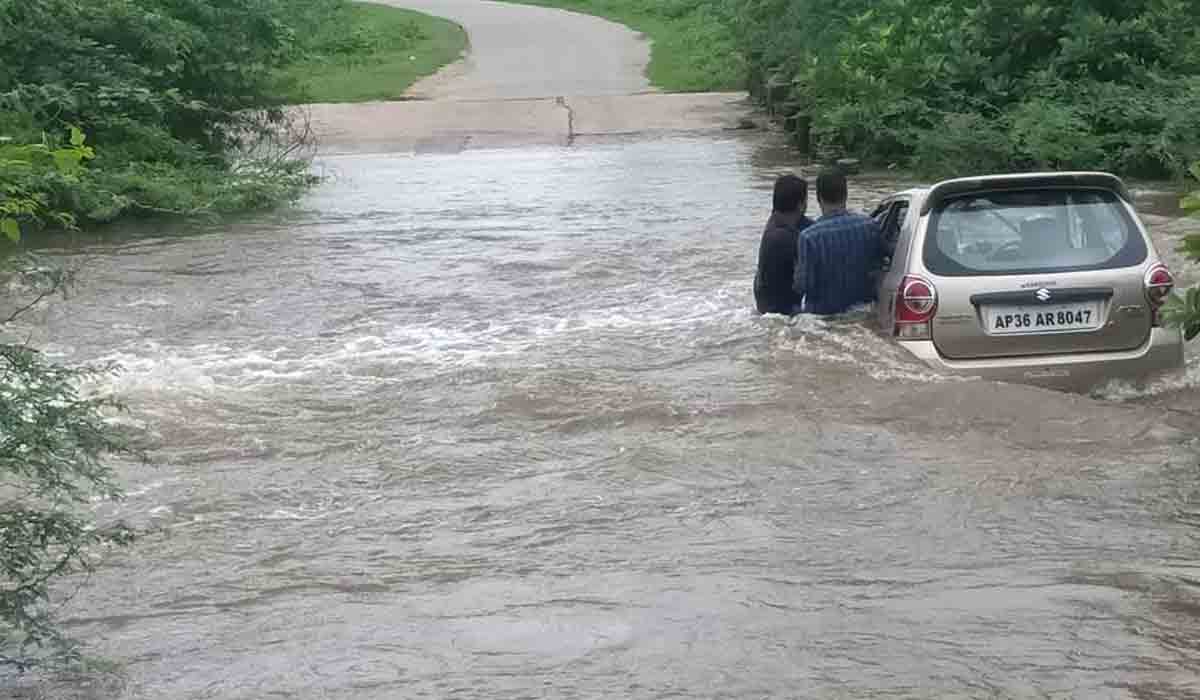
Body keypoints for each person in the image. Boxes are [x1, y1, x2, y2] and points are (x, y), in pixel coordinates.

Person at [792, 169, 885, 315]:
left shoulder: (808, 237)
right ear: (846, 194)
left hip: (823, 316)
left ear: (818, 198)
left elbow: (803, 285)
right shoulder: (870, 225)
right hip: (863, 310)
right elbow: (880, 264)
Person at [753, 174, 813, 315]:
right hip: (780, 310)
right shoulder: (784, 237)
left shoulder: (777, 220)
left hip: (766, 300)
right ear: (800, 205)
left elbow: (810, 226)